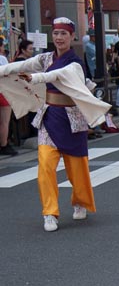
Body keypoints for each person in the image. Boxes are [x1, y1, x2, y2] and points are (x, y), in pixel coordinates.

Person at [0, 17, 110, 232]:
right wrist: (3, 71)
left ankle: (80, 201)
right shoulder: (45, 58)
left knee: (77, 170)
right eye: (56, 34)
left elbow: (59, 75)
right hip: (49, 117)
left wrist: (37, 78)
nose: (59, 38)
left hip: (72, 119)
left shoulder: (75, 64)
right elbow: (21, 65)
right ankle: (49, 212)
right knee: (45, 166)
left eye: (64, 34)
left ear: (72, 37)